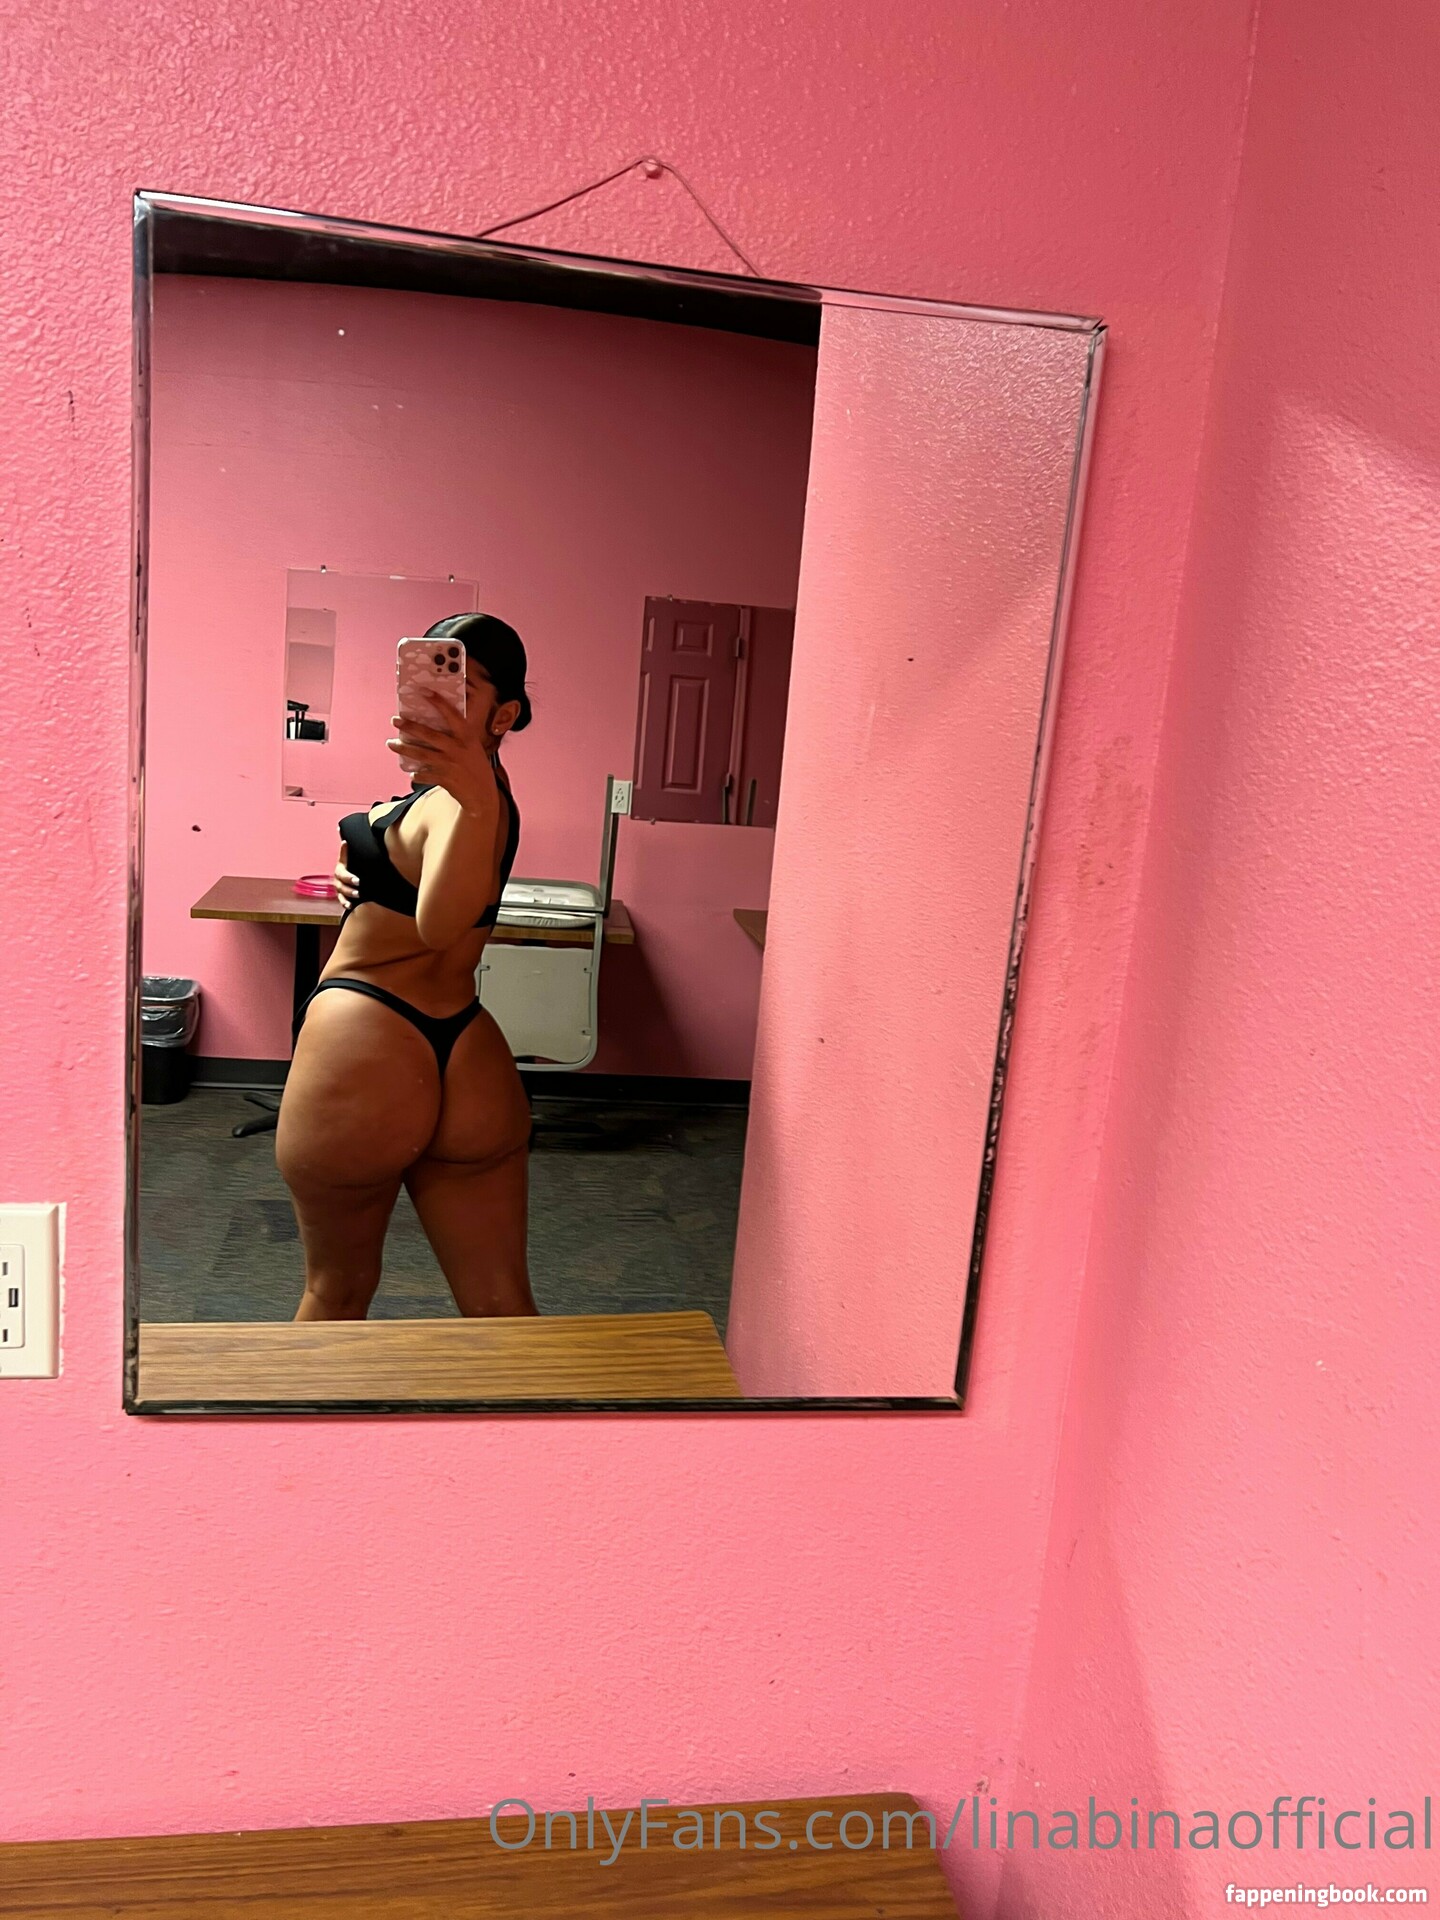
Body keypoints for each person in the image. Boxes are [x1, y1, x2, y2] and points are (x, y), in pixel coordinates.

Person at [275, 613, 537, 1321]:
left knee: (335, 1291)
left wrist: (469, 798)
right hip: (466, 1047)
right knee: (502, 1307)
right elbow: (431, 885)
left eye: (457, 688)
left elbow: (439, 924)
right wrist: (361, 871)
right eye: (421, 682)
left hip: (366, 1041)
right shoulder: (477, 797)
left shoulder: (466, 801)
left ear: (503, 715)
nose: (426, 704)